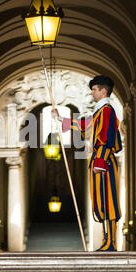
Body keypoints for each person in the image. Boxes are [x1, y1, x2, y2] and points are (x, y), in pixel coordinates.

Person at [52, 75, 122, 251]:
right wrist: (61, 119)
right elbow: (85, 125)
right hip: (98, 160)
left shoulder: (107, 111)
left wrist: (100, 160)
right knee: (100, 201)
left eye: (94, 89)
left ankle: (111, 241)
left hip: (103, 161)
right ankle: (107, 240)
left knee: (108, 200)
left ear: (103, 91)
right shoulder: (99, 111)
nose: (91, 93)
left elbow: (108, 137)